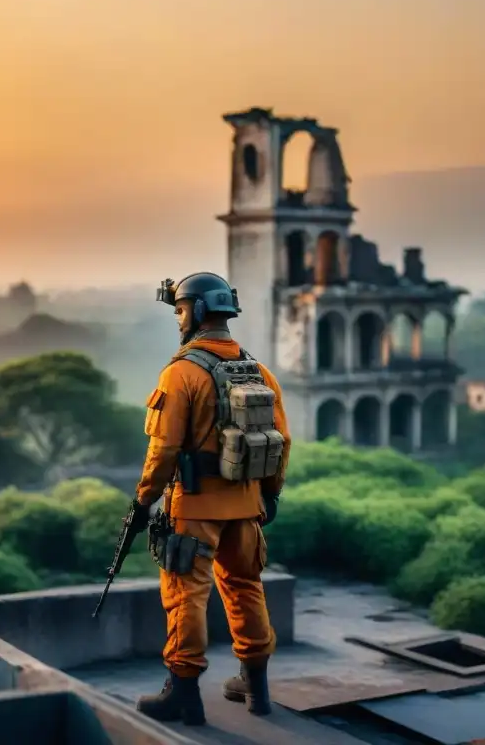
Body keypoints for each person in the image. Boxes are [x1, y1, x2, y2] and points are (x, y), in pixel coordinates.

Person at [124, 272, 291, 726]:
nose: (179, 319)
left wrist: (144, 502)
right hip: (247, 506)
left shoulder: (181, 373)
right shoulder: (260, 371)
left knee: (187, 597)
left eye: (180, 310)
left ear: (196, 312)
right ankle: (256, 689)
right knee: (245, 589)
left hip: (195, 508)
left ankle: (183, 693)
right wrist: (268, 495)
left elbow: (162, 450)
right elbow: (282, 441)